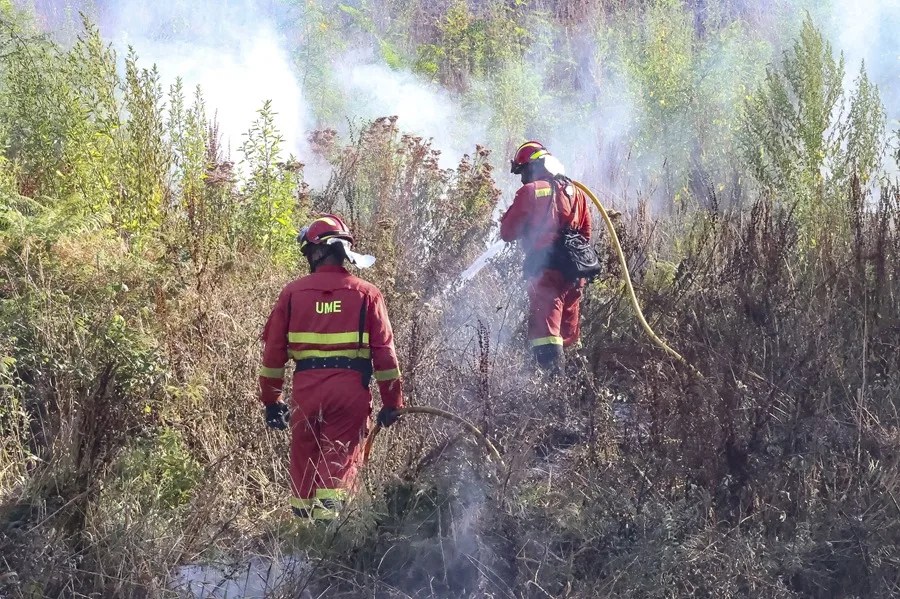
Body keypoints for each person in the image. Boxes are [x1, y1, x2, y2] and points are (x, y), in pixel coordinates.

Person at [257, 214, 403, 521]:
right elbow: (385, 357)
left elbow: (273, 355)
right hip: (350, 393)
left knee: (304, 462)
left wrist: (272, 400)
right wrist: (393, 402)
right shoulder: (367, 294)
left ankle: (304, 532)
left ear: (317, 252)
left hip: (306, 391)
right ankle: (330, 533)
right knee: (338, 463)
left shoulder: (292, 294)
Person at [499, 141, 592, 370]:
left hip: (546, 270)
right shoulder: (577, 193)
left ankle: (551, 386)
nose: (522, 179)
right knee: (566, 335)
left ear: (532, 167)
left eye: (522, 171)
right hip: (575, 271)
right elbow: (586, 234)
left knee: (546, 335)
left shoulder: (530, 191)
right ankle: (573, 384)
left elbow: (507, 232)